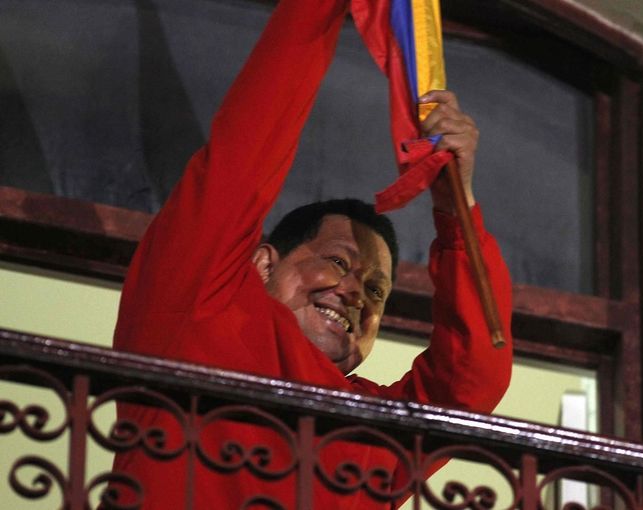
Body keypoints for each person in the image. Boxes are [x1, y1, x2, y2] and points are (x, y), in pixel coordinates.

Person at [110, 0, 512, 508]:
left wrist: (457, 206)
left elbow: (472, 378)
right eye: (339, 262)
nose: (354, 295)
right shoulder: (196, 307)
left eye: (375, 292)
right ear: (263, 263)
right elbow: (243, 156)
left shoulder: (373, 429)